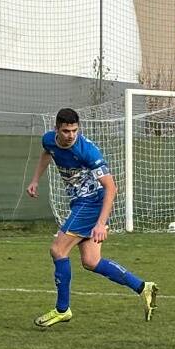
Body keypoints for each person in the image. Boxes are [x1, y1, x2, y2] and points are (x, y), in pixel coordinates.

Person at [26, 107, 157, 327]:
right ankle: (144, 287)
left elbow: (111, 187)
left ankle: (62, 309)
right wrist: (35, 180)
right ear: (56, 129)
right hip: (79, 203)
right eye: (66, 131)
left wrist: (101, 224)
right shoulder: (48, 140)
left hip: (91, 203)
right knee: (91, 261)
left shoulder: (87, 151)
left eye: (74, 130)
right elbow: (47, 154)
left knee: (58, 250)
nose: (70, 135)